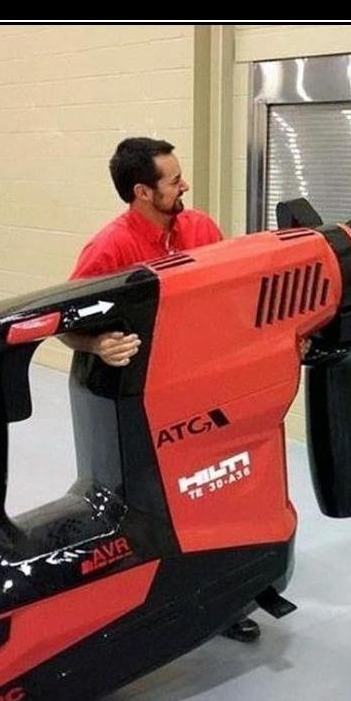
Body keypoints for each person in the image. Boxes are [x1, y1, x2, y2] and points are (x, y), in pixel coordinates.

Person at [62, 137, 260, 643]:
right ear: (142, 192)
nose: (184, 186)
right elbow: (64, 323)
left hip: (208, 388)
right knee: (161, 503)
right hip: (147, 400)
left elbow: (233, 293)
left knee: (218, 489)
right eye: (173, 181)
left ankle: (226, 601)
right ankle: (158, 599)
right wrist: (96, 343)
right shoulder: (109, 249)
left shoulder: (201, 229)